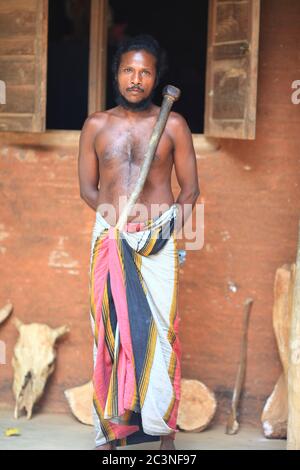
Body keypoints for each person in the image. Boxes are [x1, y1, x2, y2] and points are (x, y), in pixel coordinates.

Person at [78, 34, 200, 450]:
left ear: (155, 78)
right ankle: (110, 435)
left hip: (159, 244)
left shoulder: (175, 125)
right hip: (109, 241)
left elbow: (190, 191)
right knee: (109, 333)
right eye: (128, 70)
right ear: (117, 75)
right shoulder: (96, 124)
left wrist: (164, 232)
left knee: (162, 334)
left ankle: (164, 437)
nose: (136, 78)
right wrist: (115, 223)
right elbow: (87, 189)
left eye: (145, 71)